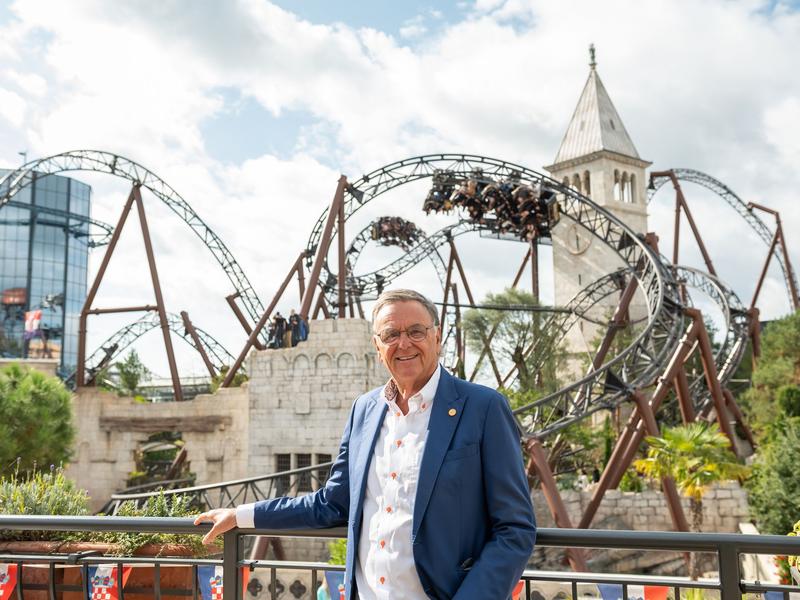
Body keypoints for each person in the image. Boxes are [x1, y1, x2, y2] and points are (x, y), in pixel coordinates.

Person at [195, 289, 536, 600]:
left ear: (436, 337)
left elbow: (515, 528)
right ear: (377, 347)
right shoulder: (365, 409)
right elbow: (331, 504)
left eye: (416, 331)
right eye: (391, 335)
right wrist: (241, 515)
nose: (404, 343)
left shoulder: (483, 407)